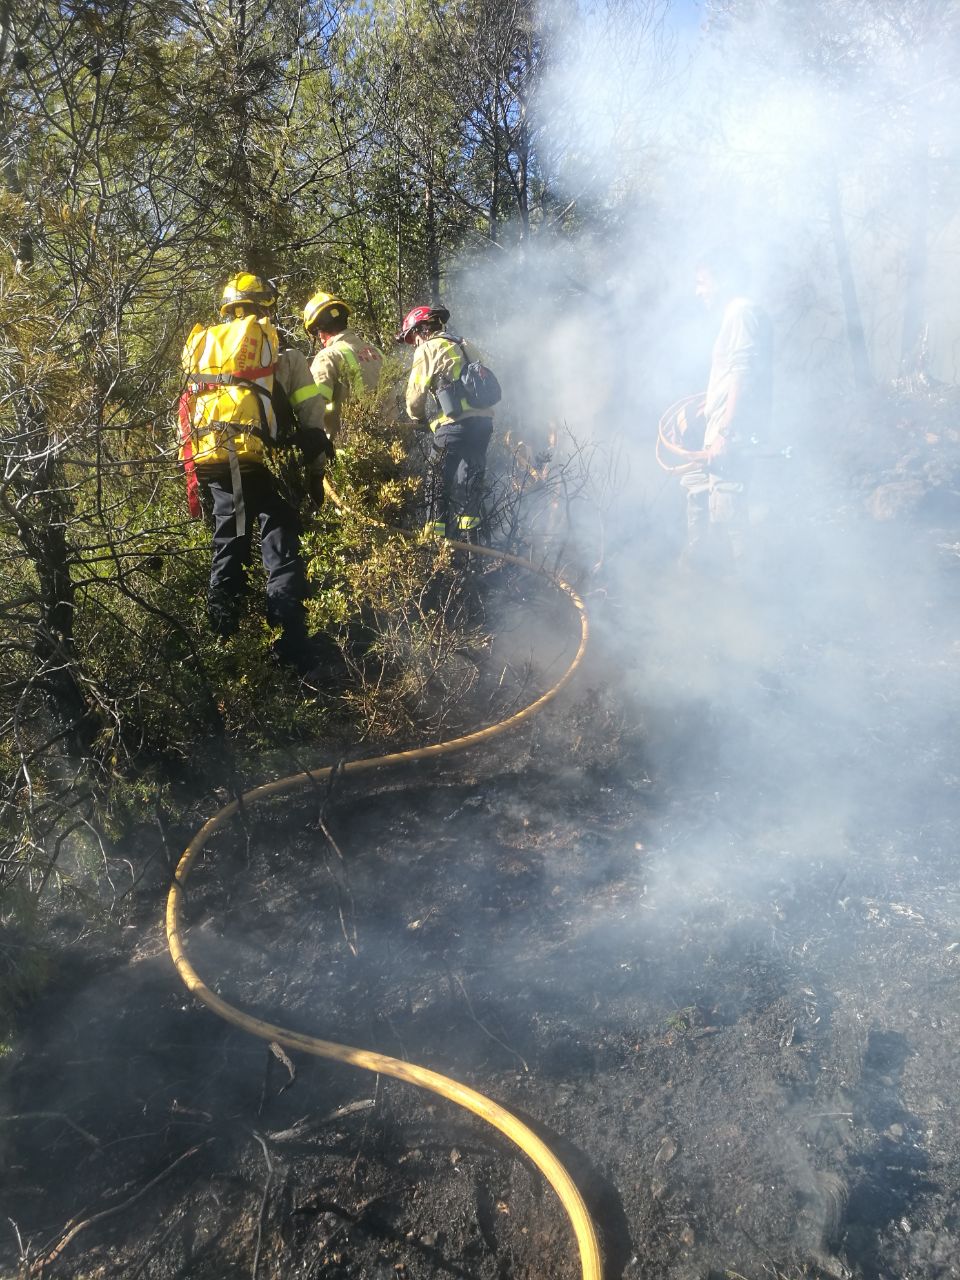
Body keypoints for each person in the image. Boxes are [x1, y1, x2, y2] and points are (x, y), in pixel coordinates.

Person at [179, 272, 334, 671]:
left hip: (212, 459)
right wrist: (315, 471)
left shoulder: (203, 347)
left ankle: (224, 650)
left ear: (228, 308)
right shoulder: (281, 353)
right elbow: (312, 416)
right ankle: (290, 648)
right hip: (264, 463)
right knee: (280, 549)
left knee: (228, 546)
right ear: (266, 307)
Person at [682, 251, 773, 572]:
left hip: (732, 439)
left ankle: (746, 601)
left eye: (701, 282)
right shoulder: (738, 314)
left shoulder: (740, 312)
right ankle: (704, 592)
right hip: (724, 434)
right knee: (706, 506)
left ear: (721, 280)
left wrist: (726, 432)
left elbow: (744, 374)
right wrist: (711, 404)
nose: (698, 291)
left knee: (732, 525)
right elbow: (736, 375)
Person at [399, 305, 499, 541]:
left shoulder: (428, 348)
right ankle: (472, 548)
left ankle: (436, 548)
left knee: (437, 484)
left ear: (422, 329)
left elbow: (415, 396)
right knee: (469, 484)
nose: (415, 343)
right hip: (483, 424)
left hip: (454, 426)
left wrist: (419, 419)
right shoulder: (465, 344)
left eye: (414, 337)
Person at [303, 291, 384, 440]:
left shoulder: (328, 356)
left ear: (319, 331)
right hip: (393, 445)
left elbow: (315, 407)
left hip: (352, 449)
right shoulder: (377, 353)